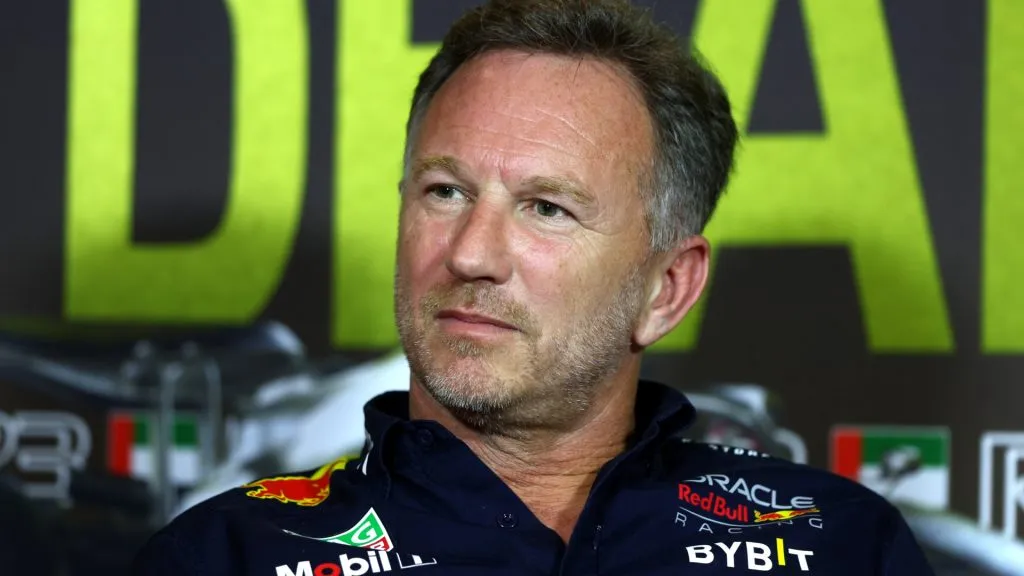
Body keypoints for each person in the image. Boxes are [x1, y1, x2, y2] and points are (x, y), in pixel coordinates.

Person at [133, 0, 935, 574]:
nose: (471, 254)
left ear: (667, 287)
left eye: (547, 208)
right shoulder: (226, 554)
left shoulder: (838, 545)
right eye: (445, 192)